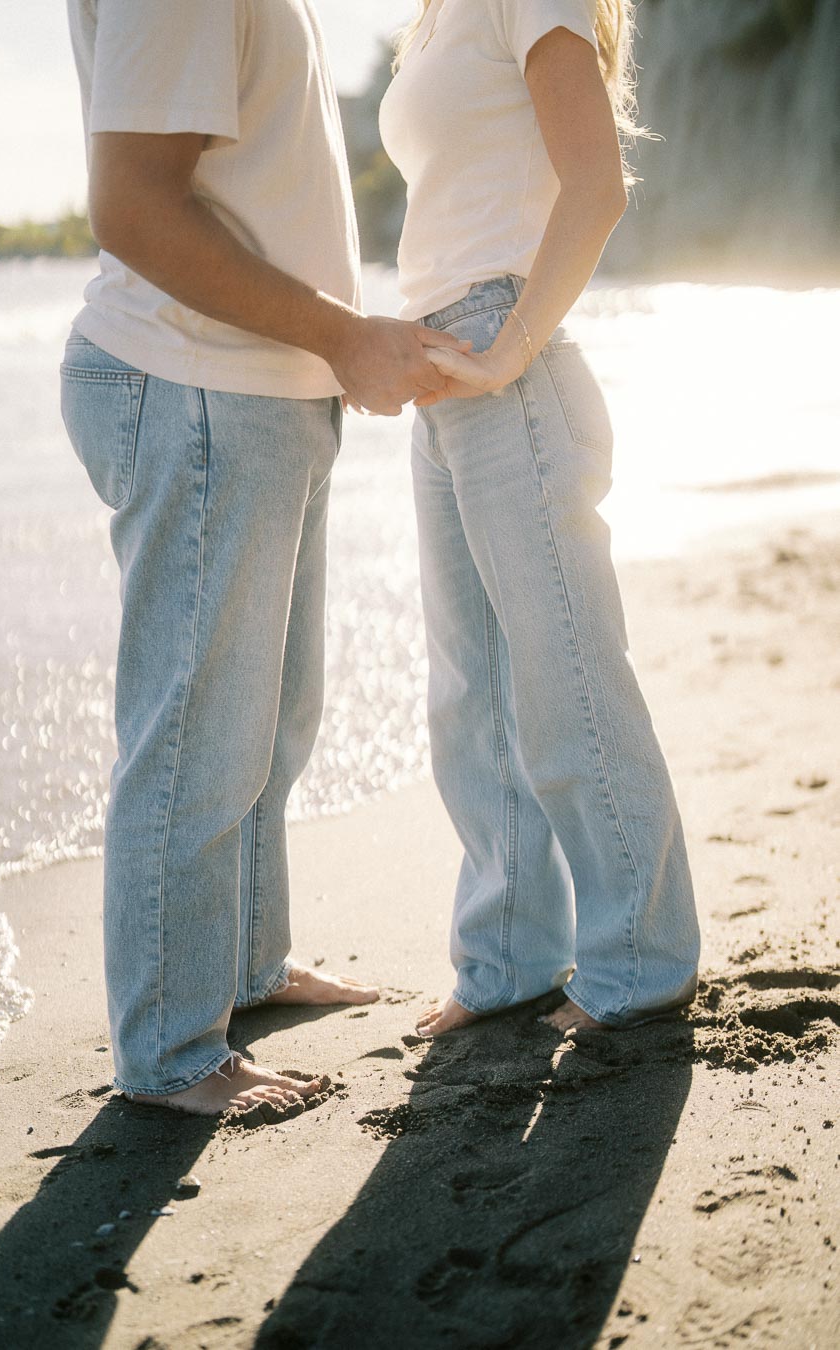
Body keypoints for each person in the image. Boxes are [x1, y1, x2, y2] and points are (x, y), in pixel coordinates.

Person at [61, 0, 466, 1117]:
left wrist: (329, 353)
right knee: (198, 737)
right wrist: (345, 336)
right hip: (196, 386)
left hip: (256, 389)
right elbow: (136, 208)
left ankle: (240, 966)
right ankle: (173, 1048)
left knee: (271, 720)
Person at [378, 0, 700, 1036]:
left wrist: (509, 350)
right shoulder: (435, 14)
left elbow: (595, 186)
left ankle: (641, 962)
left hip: (500, 349)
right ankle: (509, 956)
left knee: (566, 678)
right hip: (443, 359)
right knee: (471, 691)